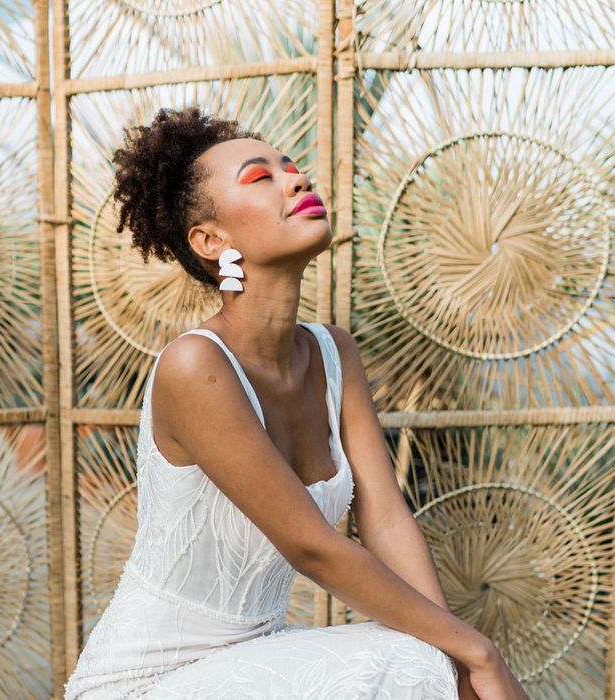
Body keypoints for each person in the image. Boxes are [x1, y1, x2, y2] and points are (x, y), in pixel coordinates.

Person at [64, 107, 527, 700]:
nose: (297, 181)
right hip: (152, 680)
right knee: (420, 663)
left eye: (293, 168)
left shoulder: (335, 354)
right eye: (261, 178)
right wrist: (474, 650)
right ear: (210, 240)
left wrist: (457, 664)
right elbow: (311, 545)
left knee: (432, 661)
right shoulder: (194, 366)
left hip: (257, 660)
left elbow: (384, 517)